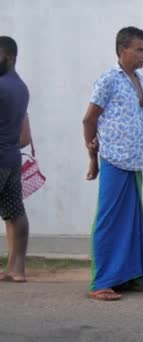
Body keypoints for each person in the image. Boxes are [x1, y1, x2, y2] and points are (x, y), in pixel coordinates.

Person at [82, 27, 143, 301]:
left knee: (131, 222)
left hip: (134, 161)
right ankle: (101, 282)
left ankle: (128, 275)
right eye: (139, 49)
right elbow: (89, 120)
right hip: (113, 159)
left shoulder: (139, 79)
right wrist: (92, 159)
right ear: (123, 50)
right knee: (109, 221)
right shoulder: (109, 79)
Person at [0, 36, 31, 283]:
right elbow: (25, 137)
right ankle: (16, 269)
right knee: (15, 213)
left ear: (9, 57)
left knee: (14, 214)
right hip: (12, 159)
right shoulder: (21, 87)